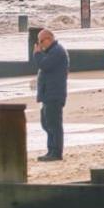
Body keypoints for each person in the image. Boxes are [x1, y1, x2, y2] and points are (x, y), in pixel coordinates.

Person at [33, 28, 68, 162]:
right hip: (48, 94)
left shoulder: (57, 51)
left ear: (50, 38)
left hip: (54, 94)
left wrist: (37, 54)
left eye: (42, 41)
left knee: (54, 124)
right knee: (46, 123)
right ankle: (51, 150)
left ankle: (56, 152)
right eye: (39, 41)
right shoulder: (51, 52)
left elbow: (45, 65)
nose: (40, 44)